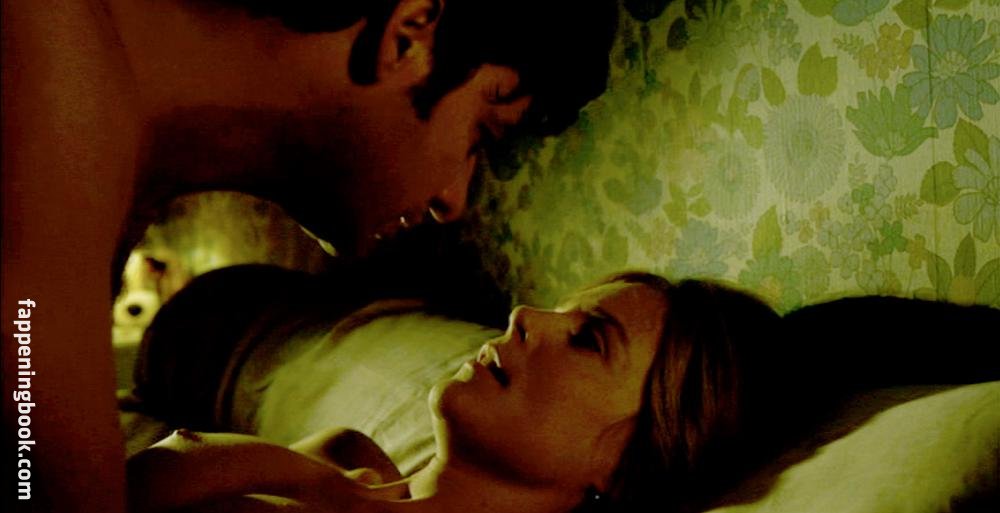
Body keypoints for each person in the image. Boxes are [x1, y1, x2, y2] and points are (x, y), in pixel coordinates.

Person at [1, 1, 617, 510]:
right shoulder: (49, 101)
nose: (452, 199)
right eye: (482, 130)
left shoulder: (96, 146)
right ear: (407, 36)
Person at [125, 272, 789, 513]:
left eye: (588, 339)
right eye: (559, 308)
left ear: (625, 468)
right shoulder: (345, 455)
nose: (524, 315)